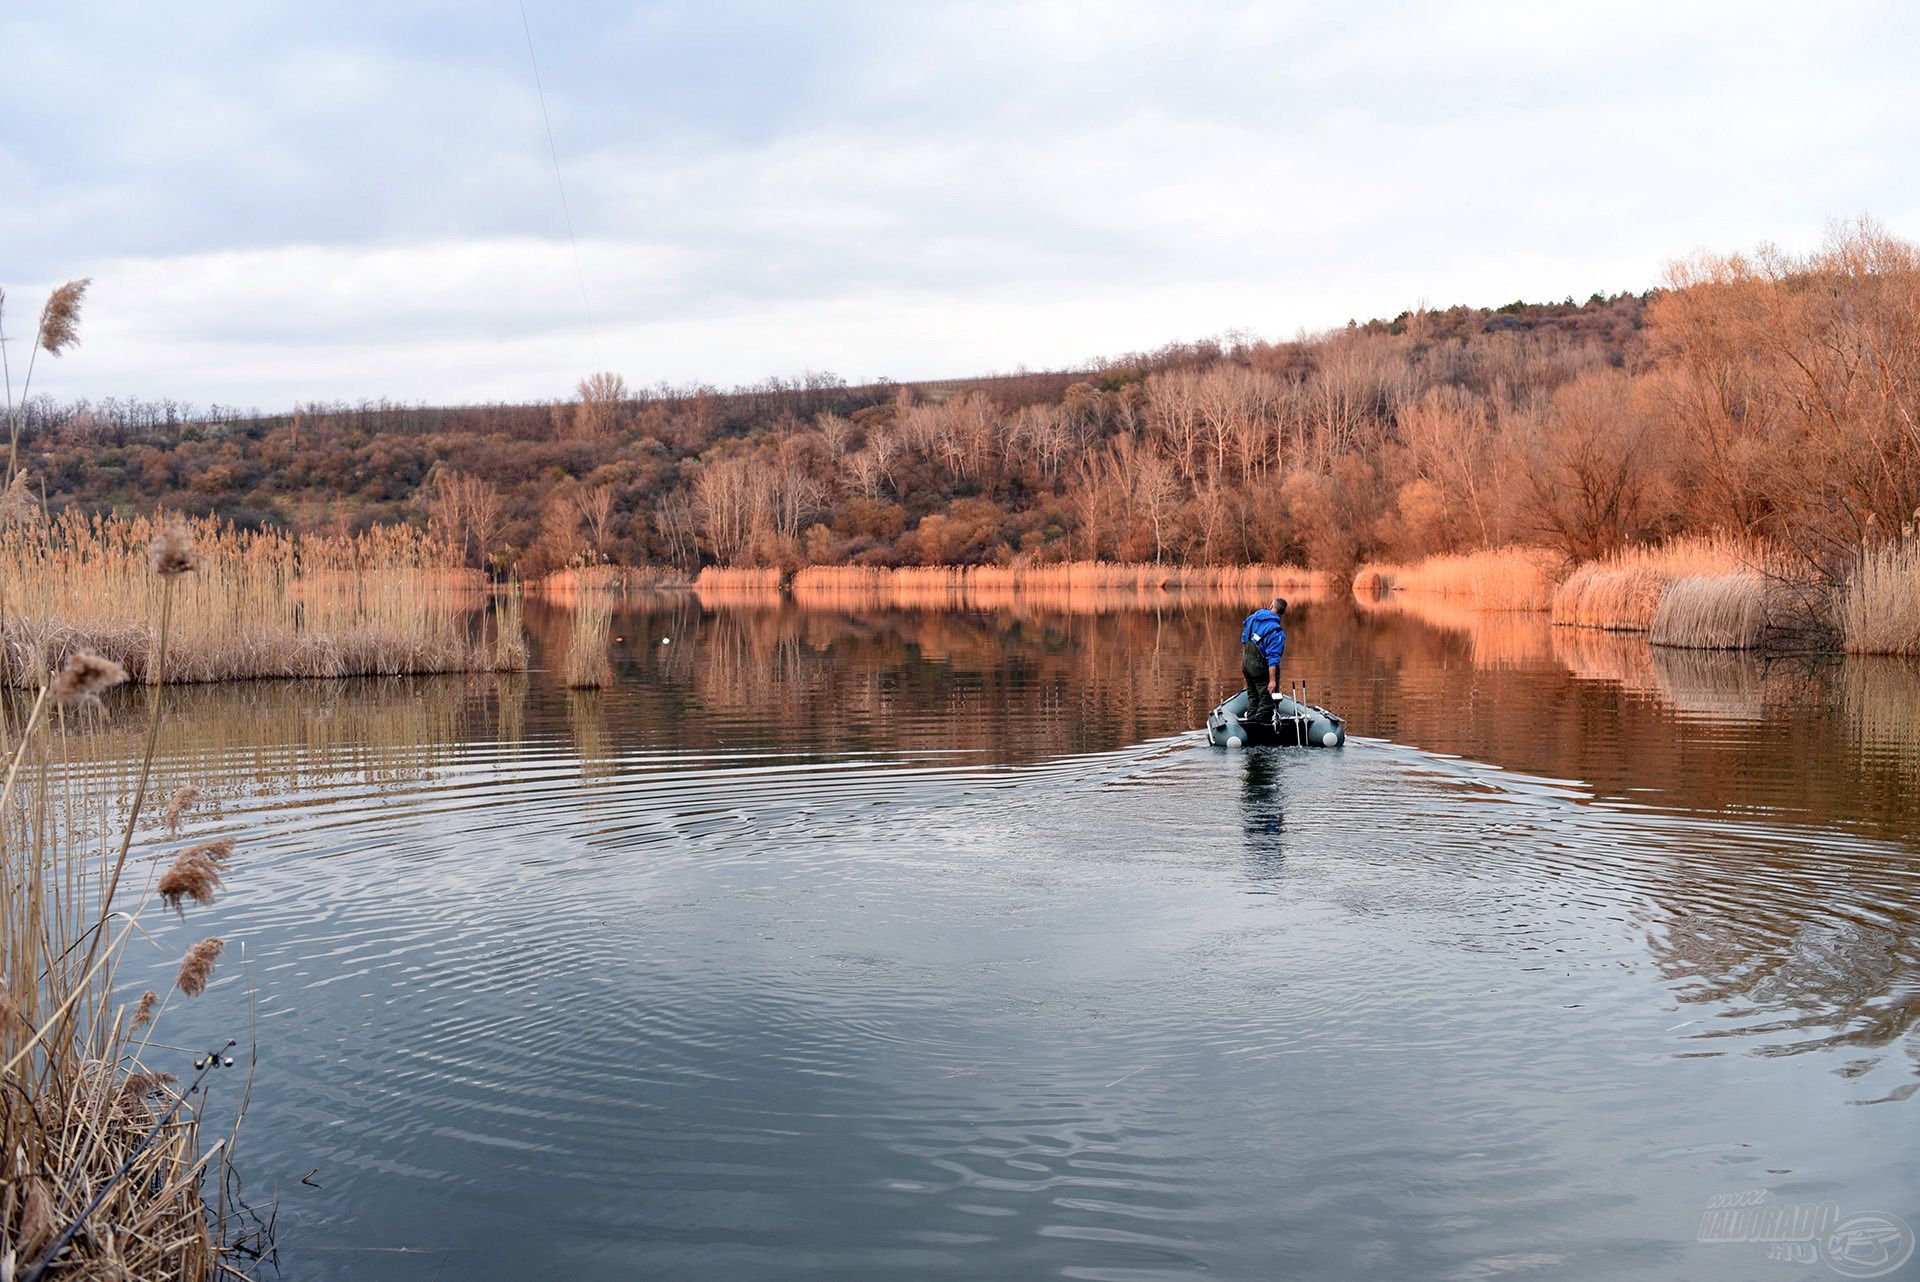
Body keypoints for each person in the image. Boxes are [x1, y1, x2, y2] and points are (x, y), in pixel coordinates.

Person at [1240, 597, 1288, 724]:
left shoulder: (1253, 618)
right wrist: (1272, 681)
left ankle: (1249, 726)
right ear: (1283, 612)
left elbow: (1244, 639)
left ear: (1271, 605)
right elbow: (1273, 658)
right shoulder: (1277, 632)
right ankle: (1260, 732)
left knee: (1253, 698)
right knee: (1266, 703)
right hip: (1261, 669)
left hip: (1246, 664)